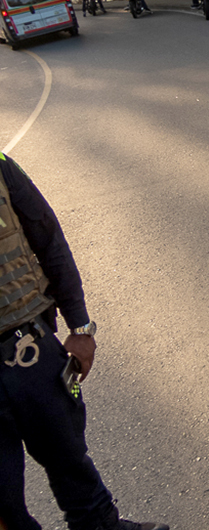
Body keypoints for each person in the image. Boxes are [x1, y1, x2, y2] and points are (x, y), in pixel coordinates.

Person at [0, 153, 169, 530]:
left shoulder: (1, 167)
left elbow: (49, 240)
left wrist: (80, 327)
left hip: (29, 351)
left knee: (70, 459)